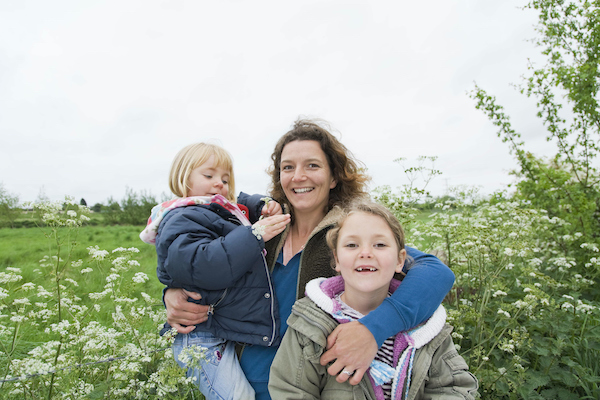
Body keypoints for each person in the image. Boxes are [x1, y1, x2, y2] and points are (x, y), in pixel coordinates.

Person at [163, 119, 456, 400]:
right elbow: (200, 260)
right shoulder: (256, 226)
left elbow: (434, 272)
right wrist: (173, 294)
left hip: (309, 389)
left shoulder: (350, 234)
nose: (298, 176)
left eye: (312, 166)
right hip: (239, 384)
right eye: (288, 167)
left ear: (334, 176)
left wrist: (372, 330)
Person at [268, 199, 478, 399]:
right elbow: (289, 390)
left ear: (400, 261)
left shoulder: (426, 327)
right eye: (351, 245)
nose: (366, 252)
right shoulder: (310, 324)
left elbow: (455, 387)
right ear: (337, 260)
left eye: (379, 245)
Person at [140, 142, 291, 400]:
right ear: (183, 178)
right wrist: (255, 234)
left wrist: (264, 205)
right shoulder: (182, 216)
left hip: (218, 328)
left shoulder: (214, 210)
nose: (219, 183)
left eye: (224, 178)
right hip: (201, 338)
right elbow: (202, 265)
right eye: (209, 176)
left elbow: (242, 203)